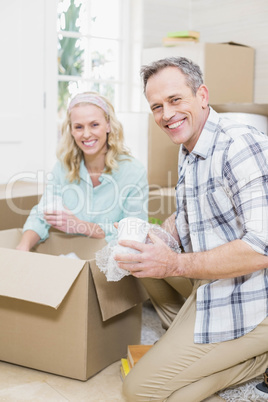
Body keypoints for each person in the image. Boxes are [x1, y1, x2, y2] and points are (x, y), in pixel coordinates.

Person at [114, 57, 268, 401]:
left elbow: (261, 249)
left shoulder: (240, 146)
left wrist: (174, 264)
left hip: (256, 300)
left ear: (202, 94)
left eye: (174, 100)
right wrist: (153, 236)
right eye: (156, 107)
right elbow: (185, 217)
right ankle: (206, 349)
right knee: (143, 259)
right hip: (218, 283)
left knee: (140, 390)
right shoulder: (189, 146)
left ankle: (256, 356)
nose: (166, 114)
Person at [16, 91, 148, 251]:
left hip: (112, 262)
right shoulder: (63, 167)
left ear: (108, 125)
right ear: (71, 130)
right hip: (72, 258)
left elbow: (134, 232)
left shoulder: (134, 172)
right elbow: (42, 215)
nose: (86, 134)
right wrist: (22, 248)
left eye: (94, 125)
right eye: (78, 127)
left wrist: (81, 226)